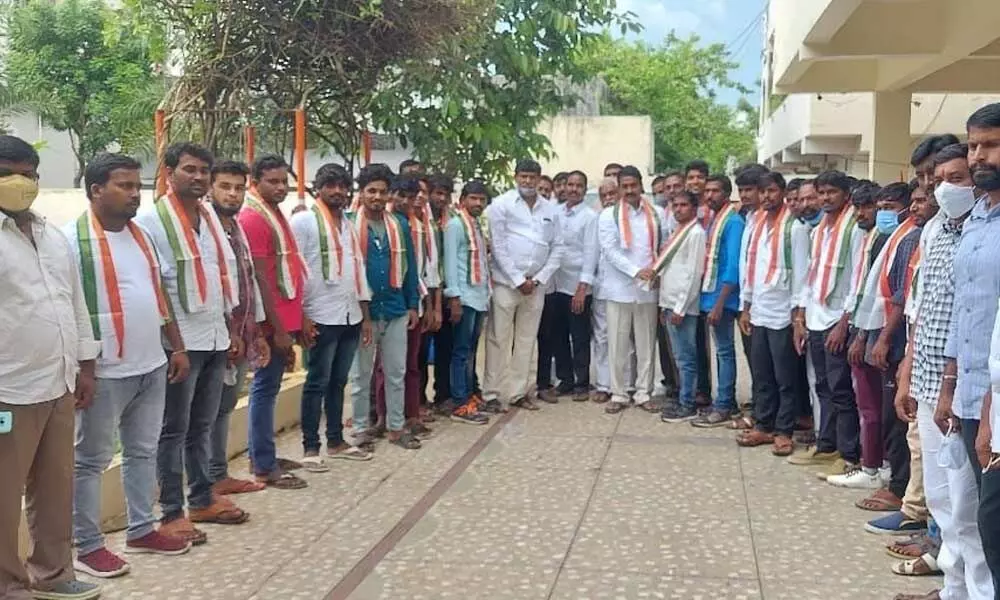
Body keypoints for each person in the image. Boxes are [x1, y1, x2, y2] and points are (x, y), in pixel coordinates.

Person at [65, 154, 193, 579]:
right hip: (103, 371)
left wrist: (176, 347)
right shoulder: (71, 241)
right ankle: (87, 545)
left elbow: (159, 296)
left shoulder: (142, 238)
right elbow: (72, 311)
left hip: (151, 364)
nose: (134, 194)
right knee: (90, 459)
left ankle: (141, 528)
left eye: (137, 186)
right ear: (96, 189)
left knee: (142, 450)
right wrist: (84, 370)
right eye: (124, 186)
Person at [0, 135, 103, 600]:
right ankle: (7, 582)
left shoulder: (50, 233)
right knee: (3, 495)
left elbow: (75, 301)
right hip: (8, 388)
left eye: (29, 173)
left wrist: (86, 364)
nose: (20, 183)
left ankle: (53, 573)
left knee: (54, 487)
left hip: (58, 381)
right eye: (7, 173)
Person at [892, 144, 992, 600]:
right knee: (943, 499)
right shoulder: (933, 230)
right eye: (938, 178)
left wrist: (954, 386)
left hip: (968, 388)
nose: (945, 186)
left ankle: (973, 590)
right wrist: (908, 369)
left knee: (970, 508)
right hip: (931, 380)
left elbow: (972, 318)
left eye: (957, 176)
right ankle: (952, 588)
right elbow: (922, 308)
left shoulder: (980, 230)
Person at [137, 142, 243, 544]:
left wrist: (231, 329)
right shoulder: (151, 221)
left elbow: (222, 275)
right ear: (168, 172)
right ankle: (170, 512)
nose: (198, 177)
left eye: (204, 171)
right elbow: (157, 287)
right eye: (189, 169)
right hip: (178, 342)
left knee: (202, 424)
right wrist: (176, 346)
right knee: (173, 429)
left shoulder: (211, 218)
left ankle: (201, 498)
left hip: (215, 334)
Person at [290, 163, 374, 469]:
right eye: (330, 185)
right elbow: (294, 271)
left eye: (342, 185)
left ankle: (336, 440)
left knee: (338, 381)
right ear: (318, 188)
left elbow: (357, 270)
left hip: (349, 314)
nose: (337, 191)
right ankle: (311, 447)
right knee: (316, 381)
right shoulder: (304, 222)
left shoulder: (348, 224)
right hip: (319, 314)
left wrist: (364, 316)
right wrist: (300, 315)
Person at [843, 183, 923, 500]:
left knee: (897, 418)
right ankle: (893, 478)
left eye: (889, 206)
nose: (882, 213)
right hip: (882, 332)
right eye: (881, 207)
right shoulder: (892, 235)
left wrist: (880, 338)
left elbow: (899, 297)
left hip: (897, 337)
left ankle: (897, 486)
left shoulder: (910, 237)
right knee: (889, 413)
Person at [788, 170, 864, 481]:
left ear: (846, 195)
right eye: (821, 193)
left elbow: (857, 279)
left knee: (841, 390)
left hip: (837, 321)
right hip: (816, 317)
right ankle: (827, 445)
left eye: (831, 192)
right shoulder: (820, 229)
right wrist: (800, 317)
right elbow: (811, 274)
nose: (824, 198)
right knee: (822, 386)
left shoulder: (854, 229)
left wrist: (844, 323)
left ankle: (848, 455)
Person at [238, 154, 310, 489]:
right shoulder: (254, 218)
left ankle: (263, 454)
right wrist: (277, 330)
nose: (281, 188)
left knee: (270, 388)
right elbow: (261, 278)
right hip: (271, 323)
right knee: (264, 390)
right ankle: (263, 465)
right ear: (255, 182)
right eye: (273, 181)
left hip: (285, 318)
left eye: (285, 181)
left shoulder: (275, 214)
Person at [205, 160, 269, 497]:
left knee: (225, 405)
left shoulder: (235, 226)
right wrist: (227, 331)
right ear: (211, 188)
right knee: (207, 411)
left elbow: (248, 280)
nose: (232, 194)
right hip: (216, 336)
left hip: (242, 332)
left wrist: (255, 330)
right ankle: (205, 480)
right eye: (225, 187)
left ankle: (218, 473)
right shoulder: (204, 227)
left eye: (238, 187)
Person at [735, 171, 809, 455]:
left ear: (781, 193)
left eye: (772, 192)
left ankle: (783, 430)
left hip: (783, 314)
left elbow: (802, 275)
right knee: (762, 374)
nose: (766, 197)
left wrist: (798, 318)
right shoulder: (754, 224)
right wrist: (746, 307)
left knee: (784, 376)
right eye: (762, 192)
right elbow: (748, 269)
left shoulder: (795, 229)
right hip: (759, 310)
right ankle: (763, 426)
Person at [348, 164, 421, 449]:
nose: (377, 197)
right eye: (371, 191)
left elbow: (411, 268)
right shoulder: (349, 223)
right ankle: (361, 428)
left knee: (395, 371)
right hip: (363, 311)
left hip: (395, 308)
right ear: (362, 193)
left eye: (382, 192)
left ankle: (395, 426)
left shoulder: (399, 225)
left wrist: (413, 303)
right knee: (360, 374)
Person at [482, 159, 564, 412]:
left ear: (540, 179)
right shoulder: (501, 205)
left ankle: (520, 392)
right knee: (498, 339)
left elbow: (558, 248)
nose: (527, 181)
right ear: (515, 177)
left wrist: (537, 279)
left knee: (528, 339)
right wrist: (518, 280)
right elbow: (498, 245)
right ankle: (492, 394)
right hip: (507, 283)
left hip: (536, 285)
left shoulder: (551, 209)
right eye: (523, 176)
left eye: (532, 177)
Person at [959, 104, 1000, 593]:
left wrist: (991, 410)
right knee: (977, 519)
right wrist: (950, 383)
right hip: (970, 389)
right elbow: (964, 310)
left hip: (993, 399)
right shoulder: (978, 215)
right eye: (973, 145)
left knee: (993, 520)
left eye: (989, 145)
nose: (977, 156)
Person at [373, 174, 438, 437]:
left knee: (410, 364)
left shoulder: (419, 224)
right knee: (383, 366)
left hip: (412, 300)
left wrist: (423, 302)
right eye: (399, 195)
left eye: (410, 197)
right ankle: (382, 417)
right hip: (390, 302)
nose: (405, 201)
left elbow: (421, 267)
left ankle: (410, 414)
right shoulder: (386, 224)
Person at [598, 166, 664, 414]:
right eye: (624, 187)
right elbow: (609, 250)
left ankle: (643, 393)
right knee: (617, 345)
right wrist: (636, 270)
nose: (629, 191)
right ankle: (618, 393)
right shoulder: (608, 216)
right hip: (619, 289)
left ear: (640, 185)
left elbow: (664, 246)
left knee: (647, 345)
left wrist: (657, 272)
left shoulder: (657, 214)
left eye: (632, 185)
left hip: (648, 289)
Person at [691, 174, 745, 427]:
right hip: (711, 294)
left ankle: (724, 404)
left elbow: (733, 265)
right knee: (720, 350)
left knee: (724, 350)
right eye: (707, 191)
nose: (709, 195)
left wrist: (720, 302)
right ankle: (725, 400)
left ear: (726, 193)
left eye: (715, 191)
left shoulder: (732, 221)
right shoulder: (714, 219)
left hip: (723, 297)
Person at [443, 181, 493, 425]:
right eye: (473, 198)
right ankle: (460, 403)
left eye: (482, 200)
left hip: (479, 296)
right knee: (461, 351)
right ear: (463, 199)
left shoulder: (475, 225)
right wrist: (454, 298)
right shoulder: (455, 225)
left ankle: (471, 394)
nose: (478, 203)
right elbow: (451, 262)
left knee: (471, 350)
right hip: (463, 297)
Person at [656, 190, 707, 422]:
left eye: (683, 205)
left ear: (694, 208)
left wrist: (680, 307)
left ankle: (688, 403)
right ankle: (683, 398)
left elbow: (693, 274)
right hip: (669, 301)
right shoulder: (677, 231)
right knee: (678, 356)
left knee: (686, 357)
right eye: (675, 205)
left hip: (682, 306)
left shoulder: (695, 233)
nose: (678, 209)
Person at [548, 170, 598, 402]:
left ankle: (581, 382)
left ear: (585, 190)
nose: (573, 189)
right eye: (570, 184)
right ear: (564, 187)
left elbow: (591, 253)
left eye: (579, 185)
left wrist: (582, 289)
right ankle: (564, 380)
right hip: (555, 283)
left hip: (578, 286)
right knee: (558, 335)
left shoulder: (590, 217)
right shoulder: (554, 213)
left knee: (579, 336)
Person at [585, 177, 632, 404]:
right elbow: (591, 254)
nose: (608, 199)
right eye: (603, 196)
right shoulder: (597, 219)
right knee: (602, 337)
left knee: (626, 338)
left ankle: (626, 384)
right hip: (602, 288)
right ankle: (604, 384)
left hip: (627, 288)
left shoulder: (631, 218)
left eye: (612, 194)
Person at [732, 164, 769, 429]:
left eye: (750, 190)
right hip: (749, 302)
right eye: (741, 190)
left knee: (765, 366)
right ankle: (758, 408)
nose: (745, 195)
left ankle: (764, 416)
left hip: (769, 305)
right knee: (755, 360)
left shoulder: (771, 220)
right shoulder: (750, 218)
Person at [428, 174, 457, 410]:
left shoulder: (452, 220)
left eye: (445, 194)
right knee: (419, 353)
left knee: (446, 346)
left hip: (448, 291)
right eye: (437, 193)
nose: (441, 198)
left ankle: (443, 394)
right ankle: (417, 400)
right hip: (426, 294)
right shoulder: (422, 221)